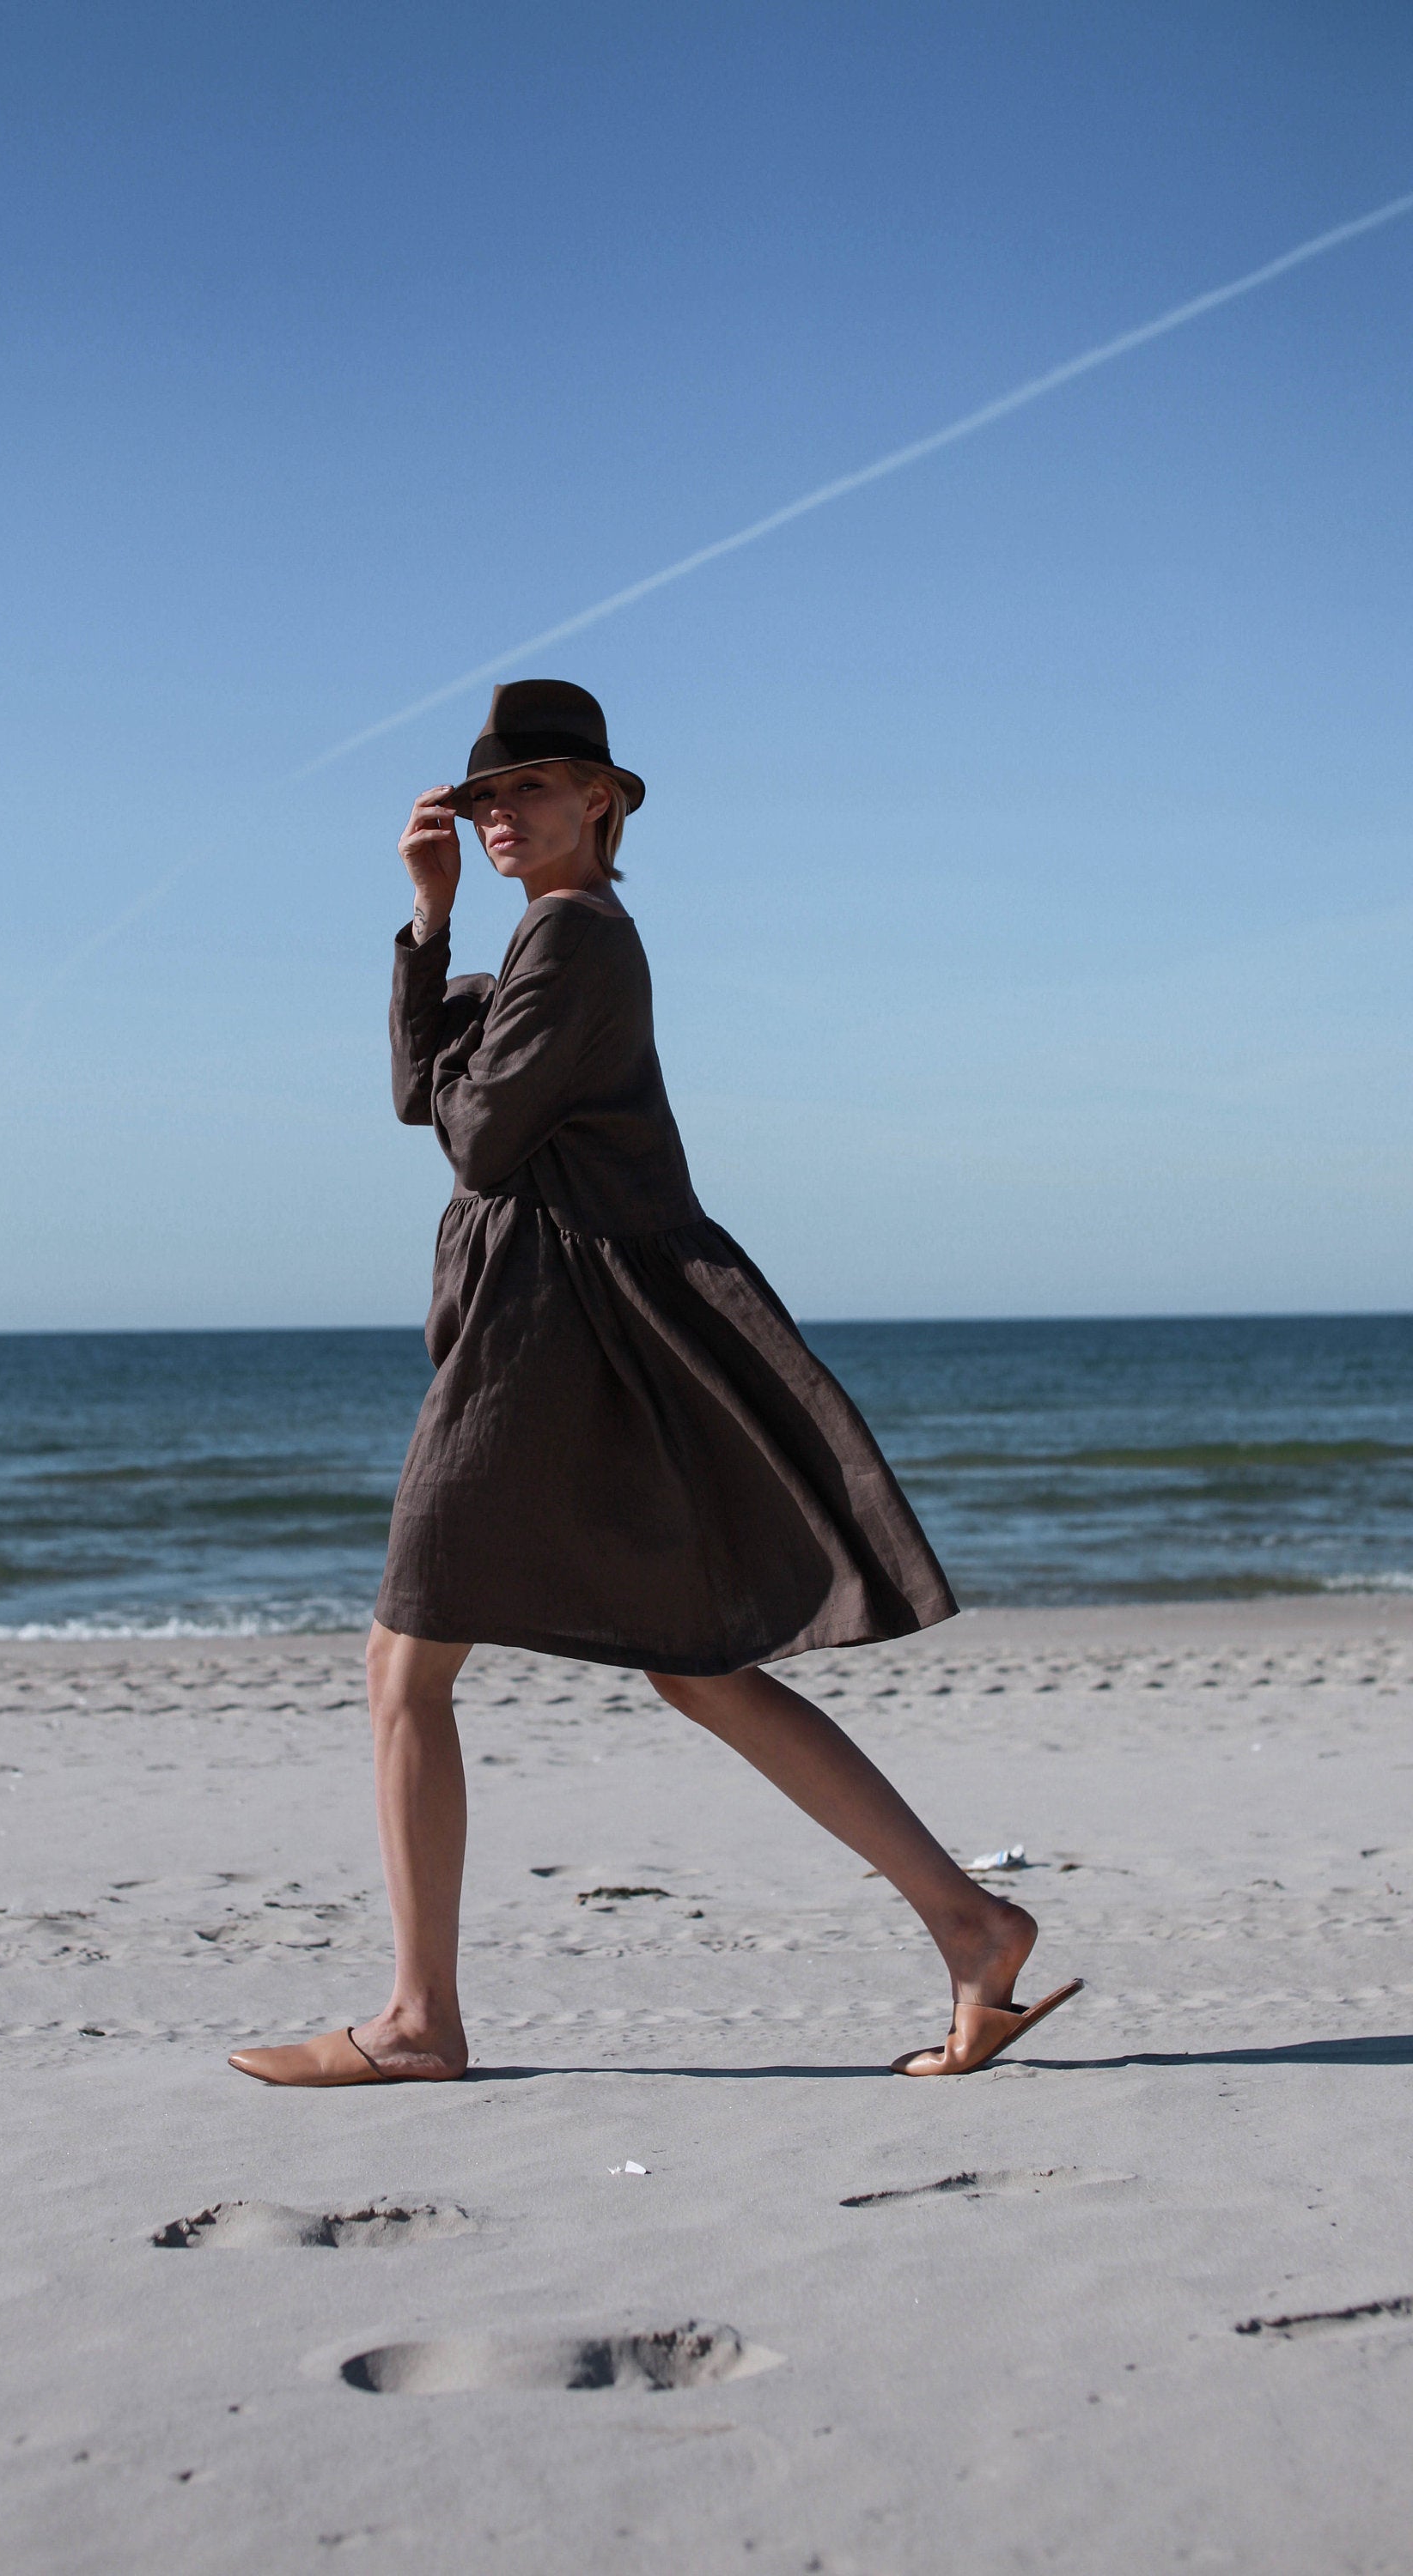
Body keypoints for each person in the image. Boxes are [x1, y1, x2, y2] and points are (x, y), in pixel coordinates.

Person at [230, 680, 1079, 2088]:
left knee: (406, 1661)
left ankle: (419, 2024)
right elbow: (423, 1095)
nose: (501, 816)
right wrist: (430, 928)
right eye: (485, 796)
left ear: (602, 802)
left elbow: (477, 1139)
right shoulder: (540, 936)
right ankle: (973, 1922)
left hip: (559, 1330)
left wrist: (461, 1020)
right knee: (692, 1668)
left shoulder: (573, 937)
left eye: (532, 791)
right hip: (578, 1318)